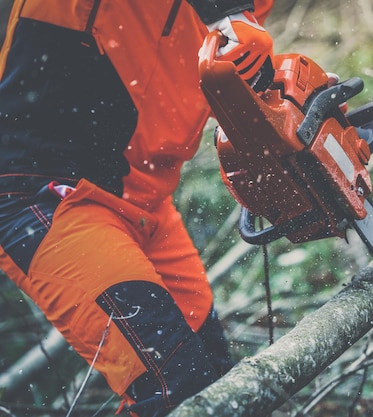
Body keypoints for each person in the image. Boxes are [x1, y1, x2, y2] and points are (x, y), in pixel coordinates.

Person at [0, 1, 274, 416]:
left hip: (146, 203)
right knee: (175, 387)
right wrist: (227, 9)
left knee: (217, 379)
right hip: (42, 192)